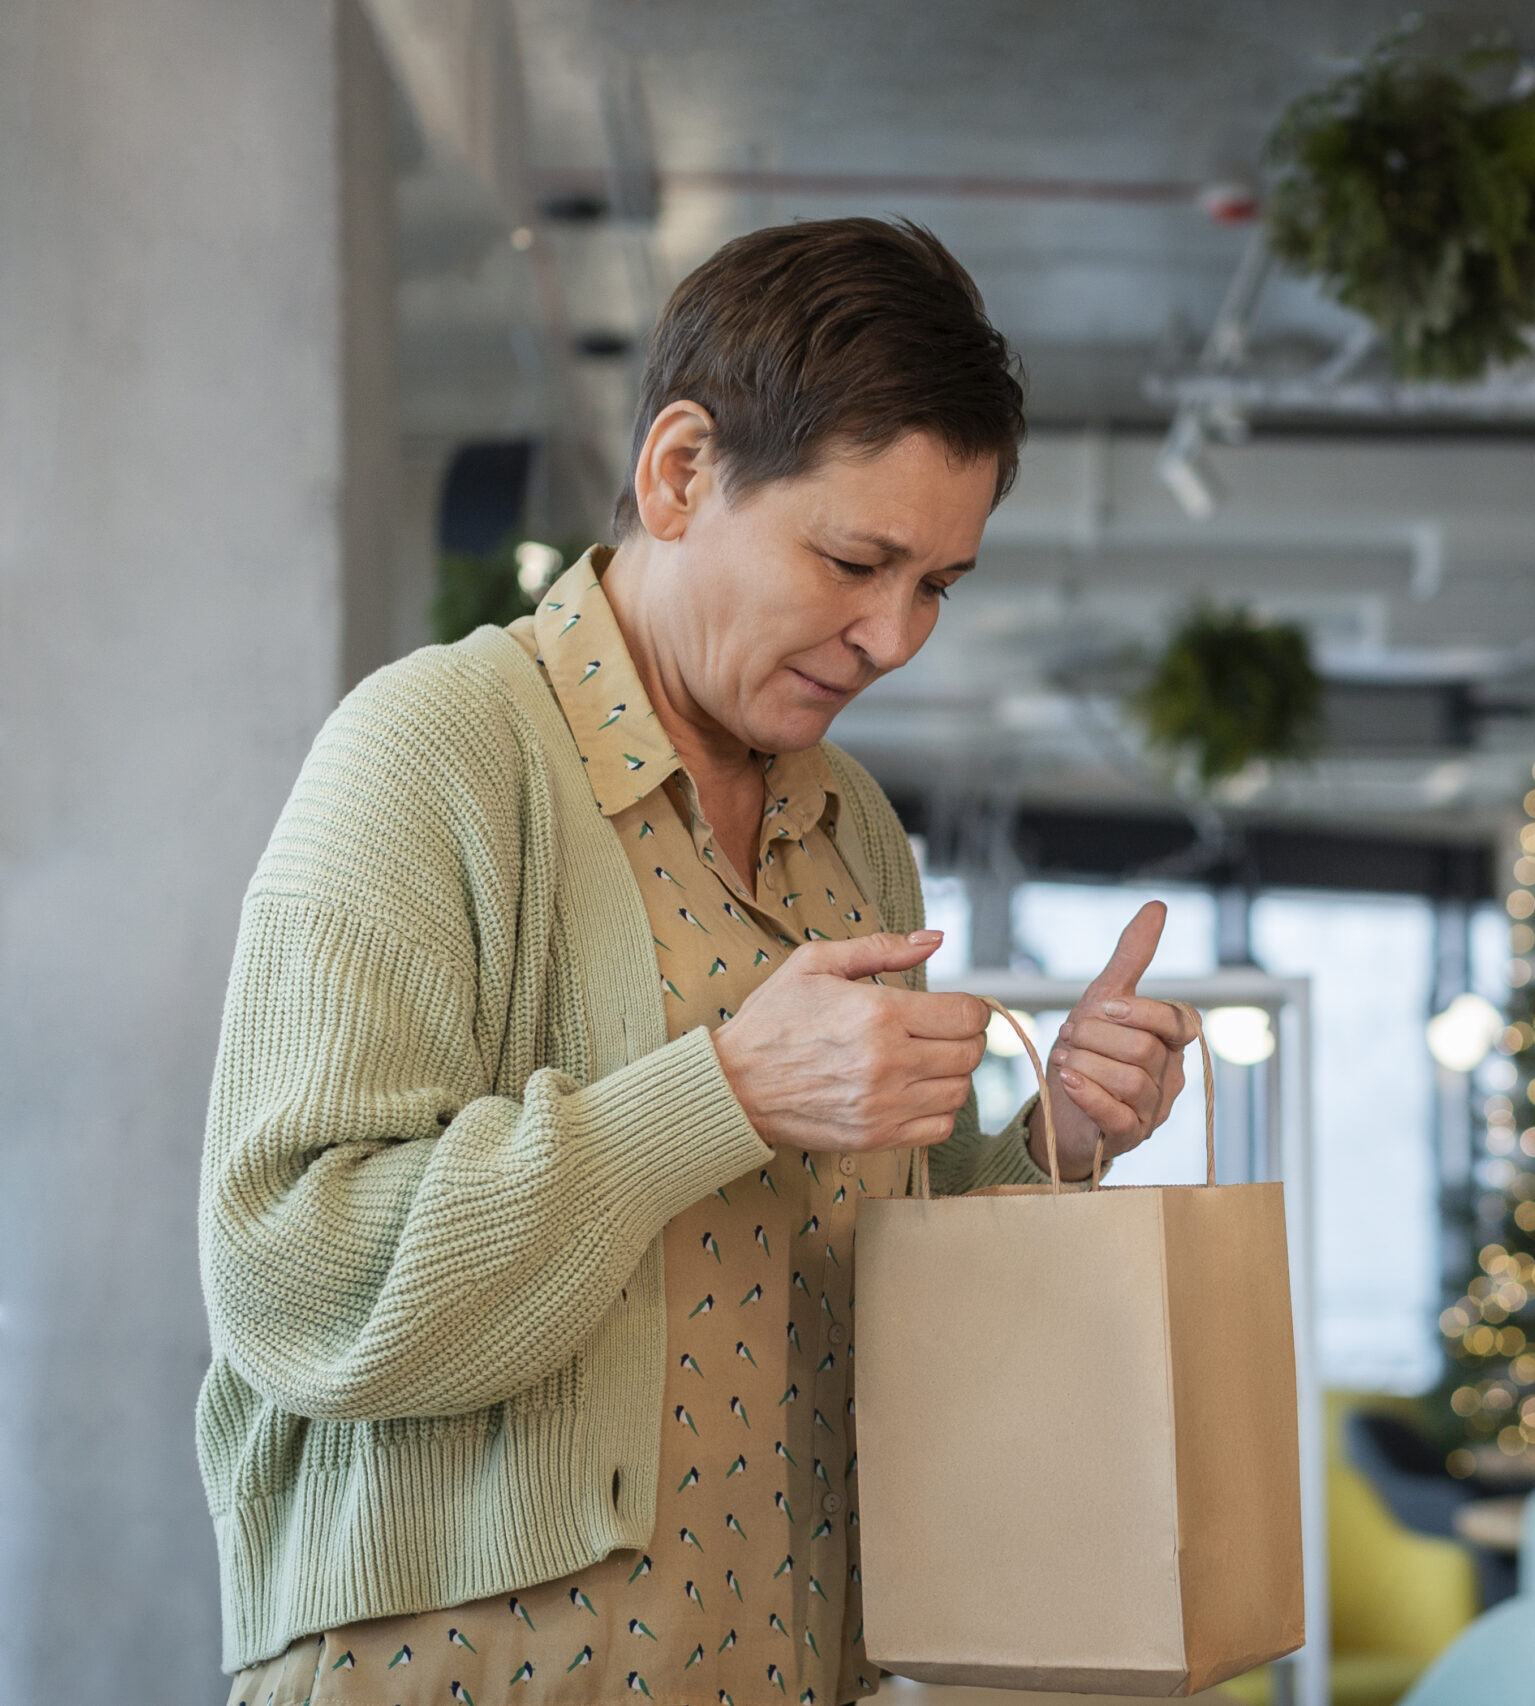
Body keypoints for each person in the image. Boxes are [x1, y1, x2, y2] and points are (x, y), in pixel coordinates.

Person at [201, 218, 1200, 1706]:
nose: (893, 636)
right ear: (679, 472)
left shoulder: (849, 824)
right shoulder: (435, 753)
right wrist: (717, 1089)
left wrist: (1053, 1137)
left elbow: (852, 1278)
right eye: (855, 558)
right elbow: (291, 1276)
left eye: (939, 582)